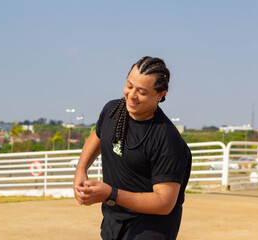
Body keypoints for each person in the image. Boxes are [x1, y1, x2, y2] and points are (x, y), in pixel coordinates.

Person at [73, 56, 192, 240]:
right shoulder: (112, 110)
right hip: (114, 223)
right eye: (129, 86)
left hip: (150, 230)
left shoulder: (168, 140)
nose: (131, 96)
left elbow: (164, 202)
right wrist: (80, 170)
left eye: (142, 92)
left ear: (160, 95)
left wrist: (110, 194)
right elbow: (97, 137)